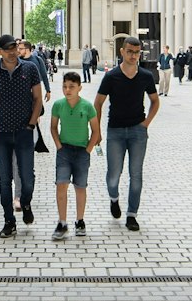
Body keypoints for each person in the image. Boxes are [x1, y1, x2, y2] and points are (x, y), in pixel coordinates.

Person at [0, 33, 45, 238]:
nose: (13, 52)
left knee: (27, 178)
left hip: (24, 132)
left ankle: (26, 202)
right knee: (4, 180)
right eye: (8, 49)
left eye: (15, 47)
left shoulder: (30, 69)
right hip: (1, 134)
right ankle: (9, 220)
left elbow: (38, 99)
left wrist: (31, 125)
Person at [92, 35, 161, 231]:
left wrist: (146, 123)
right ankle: (114, 199)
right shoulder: (111, 76)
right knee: (114, 174)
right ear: (122, 51)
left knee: (136, 174)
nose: (133, 55)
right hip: (115, 130)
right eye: (129, 51)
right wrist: (96, 131)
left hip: (138, 131)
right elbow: (98, 103)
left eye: (136, 52)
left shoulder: (146, 76)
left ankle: (132, 214)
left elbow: (155, 101)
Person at [49, 70, 98, 238]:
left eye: (71, 87)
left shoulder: (87, 106)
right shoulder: (58, 105)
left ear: (79, 88)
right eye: (64, 87)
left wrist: (88, 150)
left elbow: (96, 131)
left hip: (82, 151)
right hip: (64, 151)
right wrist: (58, 146)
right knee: (61, 184)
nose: (67, 90)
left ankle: (80, 220)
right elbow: (53, 127)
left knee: (80, 187)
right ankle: (62, 222)